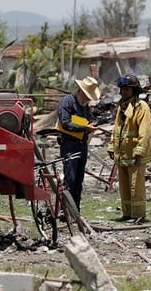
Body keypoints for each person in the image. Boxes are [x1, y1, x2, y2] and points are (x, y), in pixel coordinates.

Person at [107, 74, 151, 222]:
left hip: (135, 155)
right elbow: (116, 129)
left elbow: (145, 132)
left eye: (126, 89)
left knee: (136, 186)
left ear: (134, 90)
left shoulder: (141, 107)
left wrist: (139, 151)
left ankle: (139, 214)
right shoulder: (121, 106)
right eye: (122, 89)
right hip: (122, 155)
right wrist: (111, 146)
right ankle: (127, 213)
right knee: (124, 187)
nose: (123, 92)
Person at [56, 76, 100, 212]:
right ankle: (65, 211)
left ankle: (75, 211)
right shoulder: (67, 102)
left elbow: (87, 121)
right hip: (69, 145)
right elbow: (65, 123)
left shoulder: (85, 107)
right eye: (86, 96)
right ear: (80, 91)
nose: (87, 100)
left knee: (79, 181)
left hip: (82, 145)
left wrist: (91, 126)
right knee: (70, 179)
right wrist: (85, 128)